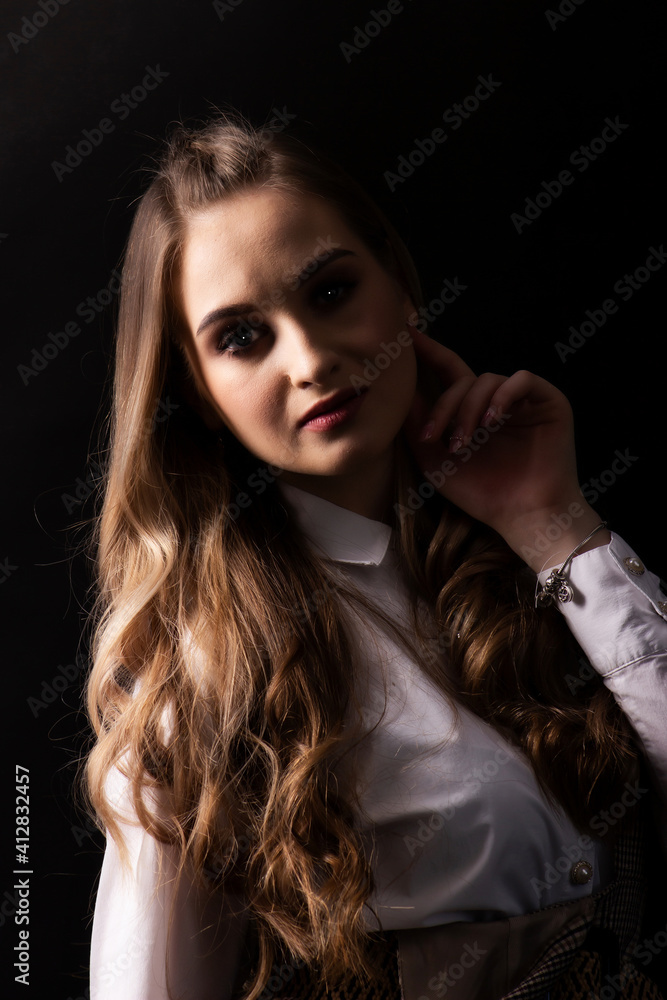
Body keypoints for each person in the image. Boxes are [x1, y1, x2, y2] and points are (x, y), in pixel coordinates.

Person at [84, 112, 667, 1000]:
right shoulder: (193, 681)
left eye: (328, 293)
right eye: (241, 337)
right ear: (197, 394)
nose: (311, 358)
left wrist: (553, 525)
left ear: (401, 290)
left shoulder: (530, 555)